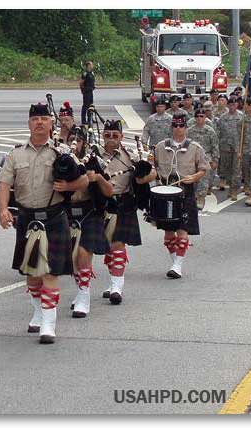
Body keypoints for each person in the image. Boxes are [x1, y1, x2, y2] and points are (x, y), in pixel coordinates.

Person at [0, 103, 89, 344]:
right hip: (27, 218)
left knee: (50, 271)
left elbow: (85, 179)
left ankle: (49, 321)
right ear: (29, 123)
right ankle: (38, 309)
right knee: (32, 274)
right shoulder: (16, 154)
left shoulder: (62, 152)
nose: (39, 122)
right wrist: (3, 209)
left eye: (43, 118)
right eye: (35, 118)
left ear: (51, 123)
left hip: (55, 216)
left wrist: (69, 186)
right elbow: (4, 183)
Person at [99, 120, 156, 304]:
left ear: (121, 137)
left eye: (115, 135)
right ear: (103, 136)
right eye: (108, 135)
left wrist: (143, 178)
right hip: (100, 204)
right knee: (107, 247)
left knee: (117, 245)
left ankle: (117, 287)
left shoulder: (130, 155)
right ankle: (113, 281)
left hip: (123, 203)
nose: (111, 139)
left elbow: (153, 173)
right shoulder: (95, 155)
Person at [151, 113, 209, 278]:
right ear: (171, 127)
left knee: (183, 229)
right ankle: (175, 260)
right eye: (175, 125)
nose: (178, 128)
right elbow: (153, 167)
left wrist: (195, 177)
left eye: (181, 125)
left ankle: (177, 265)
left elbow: (204, 168)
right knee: (168, 232)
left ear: (186, 128)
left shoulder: (195, 148)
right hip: (165, 191)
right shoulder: (161, 147)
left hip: (185, 191)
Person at [65, 126, 113, 317]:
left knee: (84, 253)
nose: (74, 144)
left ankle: (84, 296)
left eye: (78, 140)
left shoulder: (95, 161)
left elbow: (109, 191)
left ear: (84, 142)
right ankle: (80, 290)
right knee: (73, 258)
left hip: (90, 212)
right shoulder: (59, 159)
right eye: (71, 140)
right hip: (67, 212)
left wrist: (98, 177)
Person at [187, 109, 219, 209]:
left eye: (202, 116)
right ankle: (193, 196)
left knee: (204, 177)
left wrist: (215, 160)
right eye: (198, 116)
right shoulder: (190, 131)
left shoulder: (210, 131)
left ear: (205, 118)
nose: (199, 118)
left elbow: (215, 146)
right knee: (191, 177)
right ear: (195, 118)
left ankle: (201, 197)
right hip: (192, 156)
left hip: (206, 156)